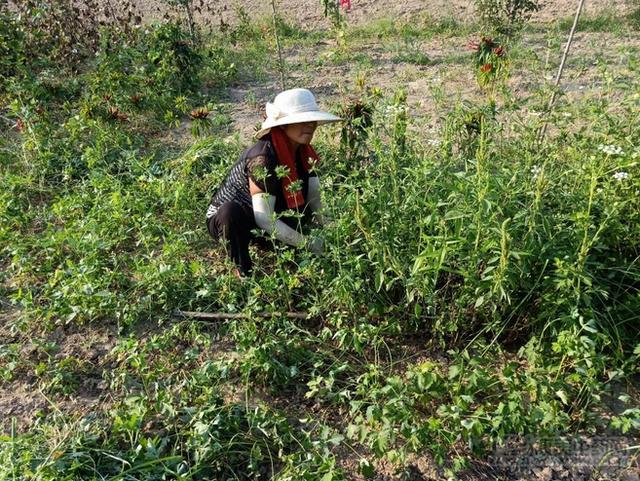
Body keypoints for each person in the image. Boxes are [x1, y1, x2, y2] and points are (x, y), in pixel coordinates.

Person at [206, 88, 341, 276]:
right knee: (231, 213)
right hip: (236, 217)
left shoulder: (305, 153)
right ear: (283, 126)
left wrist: (336, 233)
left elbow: (314, 200)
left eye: (312, 119)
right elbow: (264, 217)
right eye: (301, 121)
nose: (310, 125)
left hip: (271, 211)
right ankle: (243, 270)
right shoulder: (263, 158)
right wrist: (308, 243)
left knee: (301, 220)